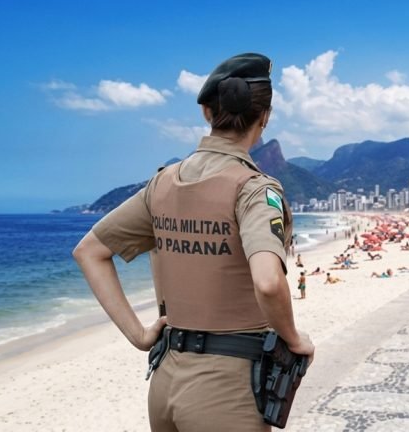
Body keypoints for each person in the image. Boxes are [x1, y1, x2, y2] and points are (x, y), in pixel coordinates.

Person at [73, 53, 314, 431]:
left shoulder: (162, 183)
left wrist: (139, 335)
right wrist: (293, 338)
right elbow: (268, 282)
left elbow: (89, 251)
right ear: (264, 117)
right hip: (229, 390)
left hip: (165, 379)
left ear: (206, 112)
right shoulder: (253, 189)